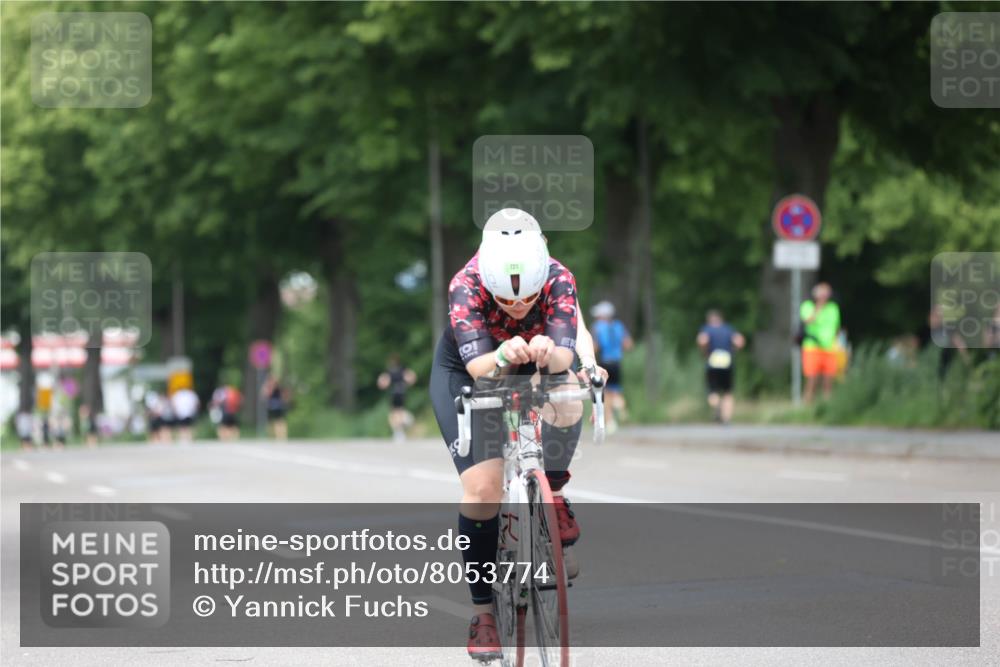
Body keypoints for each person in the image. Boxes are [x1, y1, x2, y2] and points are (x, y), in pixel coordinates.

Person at [429, 208, 587, 661]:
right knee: (483, 490)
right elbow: (482, 367)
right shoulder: (465, 284)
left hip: (536, 357)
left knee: (569, 397)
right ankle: (483, 613)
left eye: (528, 299)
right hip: (471, 369)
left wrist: (549, 352)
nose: (518, 308)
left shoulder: (558, 277)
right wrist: (502, 355)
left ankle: (553, 491)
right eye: (506, 301)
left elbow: (565, 357)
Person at [589, 301, 633, 432]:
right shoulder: (619, 326)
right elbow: (628, 344)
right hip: (617, 363)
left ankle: (610, 421)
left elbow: (595, 347)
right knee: (616, 391)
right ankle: (620, 407)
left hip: (604, 363)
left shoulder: (597, 327)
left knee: (605, 393)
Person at [696, 310, 745, 424]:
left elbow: (702, 340)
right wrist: (734, 351)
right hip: (727, 361)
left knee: (712, 391)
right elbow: (740, 341)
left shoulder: (707, 329)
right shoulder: (728, 329)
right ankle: (726, 418)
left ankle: (718, 406)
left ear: (709, 320)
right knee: (728, 392)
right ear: (721, 319)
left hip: (713, 362)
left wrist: (704, 352)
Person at [799, 282, 841, 403]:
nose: (824, 296)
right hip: (812, 347)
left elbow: (837, 328)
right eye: (821, 293)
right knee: (812, 379)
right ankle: (807, 404)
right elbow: (808, 320)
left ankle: (827, 407)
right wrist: (819, 306)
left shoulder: (833, 308)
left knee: (828, 381)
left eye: (826, 293)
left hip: (830, 348)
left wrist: (838, 343)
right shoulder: (808, 306)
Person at [377, 355, 417, 443]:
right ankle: (401, 428)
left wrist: (383, 384)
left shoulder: (389, 372)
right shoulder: (403, 370)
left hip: (394, 393)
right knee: (400, 411)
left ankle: (399, 432)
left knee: (395, 413)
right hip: (402, 392)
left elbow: (382, 382)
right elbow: (411, 378)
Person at [262, 375, 290, 440]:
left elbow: (285, 396)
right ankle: (271, 437)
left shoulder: (279, 388)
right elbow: (264, 396)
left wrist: (285, 400)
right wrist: (267, 387)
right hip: (270, 407)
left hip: (278, 407)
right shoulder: (268, 387)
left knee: (279, 422)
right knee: (270, 423)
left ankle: (281, 437)